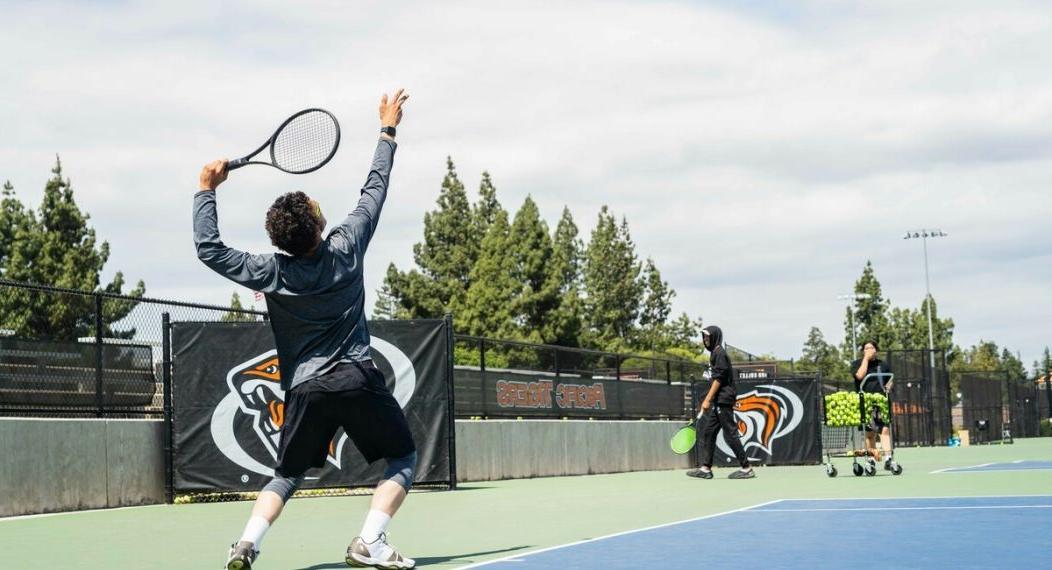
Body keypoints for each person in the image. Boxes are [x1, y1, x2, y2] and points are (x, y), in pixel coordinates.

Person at [194, 89, 417, 570]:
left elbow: (209, 249)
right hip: (356, 377)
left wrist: (206, 189)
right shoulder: (348, 244)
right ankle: (370, 541)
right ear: (318, 224)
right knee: (402, 459)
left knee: (286, 474)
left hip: (304, 390)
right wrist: (387, 129)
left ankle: (246, 545)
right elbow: (374, 186)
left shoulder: (270, 271)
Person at [686, 325, 755, 480]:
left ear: (715, 337)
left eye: (708, 337)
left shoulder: (720, 353)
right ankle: (706, 469)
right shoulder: (714, 354)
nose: (705, 340)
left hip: (723, 400)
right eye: (704, 337)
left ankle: (746, 468)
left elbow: (719, 379)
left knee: (730, 434)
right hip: (719, 400)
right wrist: (709, 398)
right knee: (709, 433)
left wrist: (707, 400)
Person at [850, 340, 895, 471]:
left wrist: (889, 387)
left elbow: (890, 380)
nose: (869, 350)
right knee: (869, 433)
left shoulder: (883, 365)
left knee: (885, 430)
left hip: (881, 401)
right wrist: (866, 359)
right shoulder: (856, 364)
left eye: (871, 348)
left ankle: (888, 459)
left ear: (876, 350)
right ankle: (871, 458)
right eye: (866, 348)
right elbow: (859, 376)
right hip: (865, 402)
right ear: (863, 351)